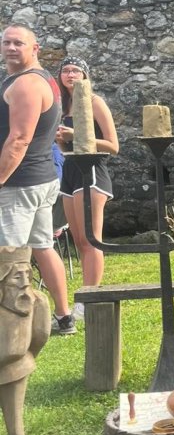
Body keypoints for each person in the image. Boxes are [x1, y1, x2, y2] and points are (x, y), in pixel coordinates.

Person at [0, 24, 75, 335]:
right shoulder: (36, 79)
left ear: (35, 48)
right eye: (6, 42)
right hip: (39, 179)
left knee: (9, 256)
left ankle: (12, 329)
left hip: (19, 184)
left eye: (19, 43)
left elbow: (19, 139)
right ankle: (64, 317)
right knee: (43, 247)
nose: (11, 47)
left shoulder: (28, 84)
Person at [55, 56, 118, 320]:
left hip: (91, 171)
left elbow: (113, 145)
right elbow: (64, 147)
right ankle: (85, 296)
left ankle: (89, 299)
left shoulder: (94, 102)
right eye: (65, 71)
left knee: (92, 239)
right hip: (70, 171)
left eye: (76, 70)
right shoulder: (62, 107)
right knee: (80, 241)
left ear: (85, 76)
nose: (70, 75)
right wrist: (60, 140)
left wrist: (76, 135)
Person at [0, 245, 50, 435]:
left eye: (26, 275)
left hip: (15, 373)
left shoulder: (37, 303)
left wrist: (24, 359)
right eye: (15, 277)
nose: (23, 282)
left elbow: (40, 336)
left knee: (16, 433)